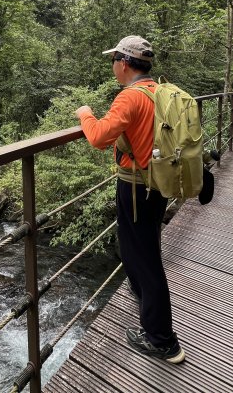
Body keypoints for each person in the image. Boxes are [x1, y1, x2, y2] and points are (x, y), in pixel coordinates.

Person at [75, 35, 185, 364]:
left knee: (146, 259)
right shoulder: (163, 91)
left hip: (136, 187)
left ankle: (162, 340)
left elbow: (97, 137)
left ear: (123, 63)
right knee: (141, 247)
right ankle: (142, 293)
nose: (113, 66)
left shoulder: (130, 98)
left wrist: (85, 113)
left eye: (114, 61)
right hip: (160, 182)